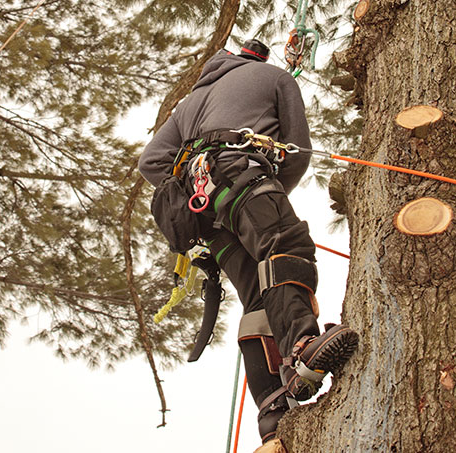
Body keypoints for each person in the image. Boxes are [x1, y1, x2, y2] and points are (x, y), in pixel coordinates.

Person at [139, 39, 359, 453]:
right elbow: (298, 149)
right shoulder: (274, 77)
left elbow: (150, 162)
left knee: (258, 296)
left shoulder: (190, 101)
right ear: (257, 58)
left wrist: (187, 191)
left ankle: (272, 408)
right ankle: (301, 348)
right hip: (241, 174)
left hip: (204, 217)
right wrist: (270, 191)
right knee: (284, 244)